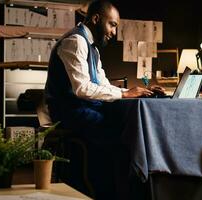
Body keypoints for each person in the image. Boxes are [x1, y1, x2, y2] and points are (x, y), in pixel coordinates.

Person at [44, 0, 164, 199]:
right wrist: (125, 94)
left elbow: (103, 84)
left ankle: (127, 189)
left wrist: (138, 91)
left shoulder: (93, 48)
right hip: (68, 112)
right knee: (120, 132)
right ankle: (106, 191)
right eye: (112, 25)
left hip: (83, 109)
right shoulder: (75, 42)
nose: (114, 32)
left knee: (128, 127)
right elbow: (82, 89)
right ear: (96, 19)